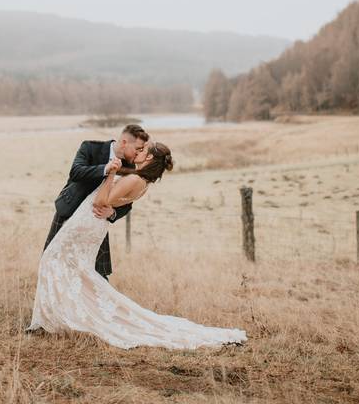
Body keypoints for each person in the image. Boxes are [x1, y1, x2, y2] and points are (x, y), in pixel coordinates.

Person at [29, 141, 247, 350]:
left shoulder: (136, 180)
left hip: (88, 221)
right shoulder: (142, 181)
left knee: (53, 259)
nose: (137, 152)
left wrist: (111, 173)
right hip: (92, 223)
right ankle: (61, 315)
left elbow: (100, 202)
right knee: (73, 268)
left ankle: (67, 316)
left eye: (142, 150)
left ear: (149, 157)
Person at [43, 124, 148, 279]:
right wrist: (106, 169)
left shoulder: (131, 167)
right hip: (69, 212)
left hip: (95, 223)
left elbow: (127, 203)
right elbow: (76, 172)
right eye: (137, 148)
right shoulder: (90, 147)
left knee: (97, 275)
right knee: (53, 263)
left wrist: (113, 213)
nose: (138, 153)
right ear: (125, 142)